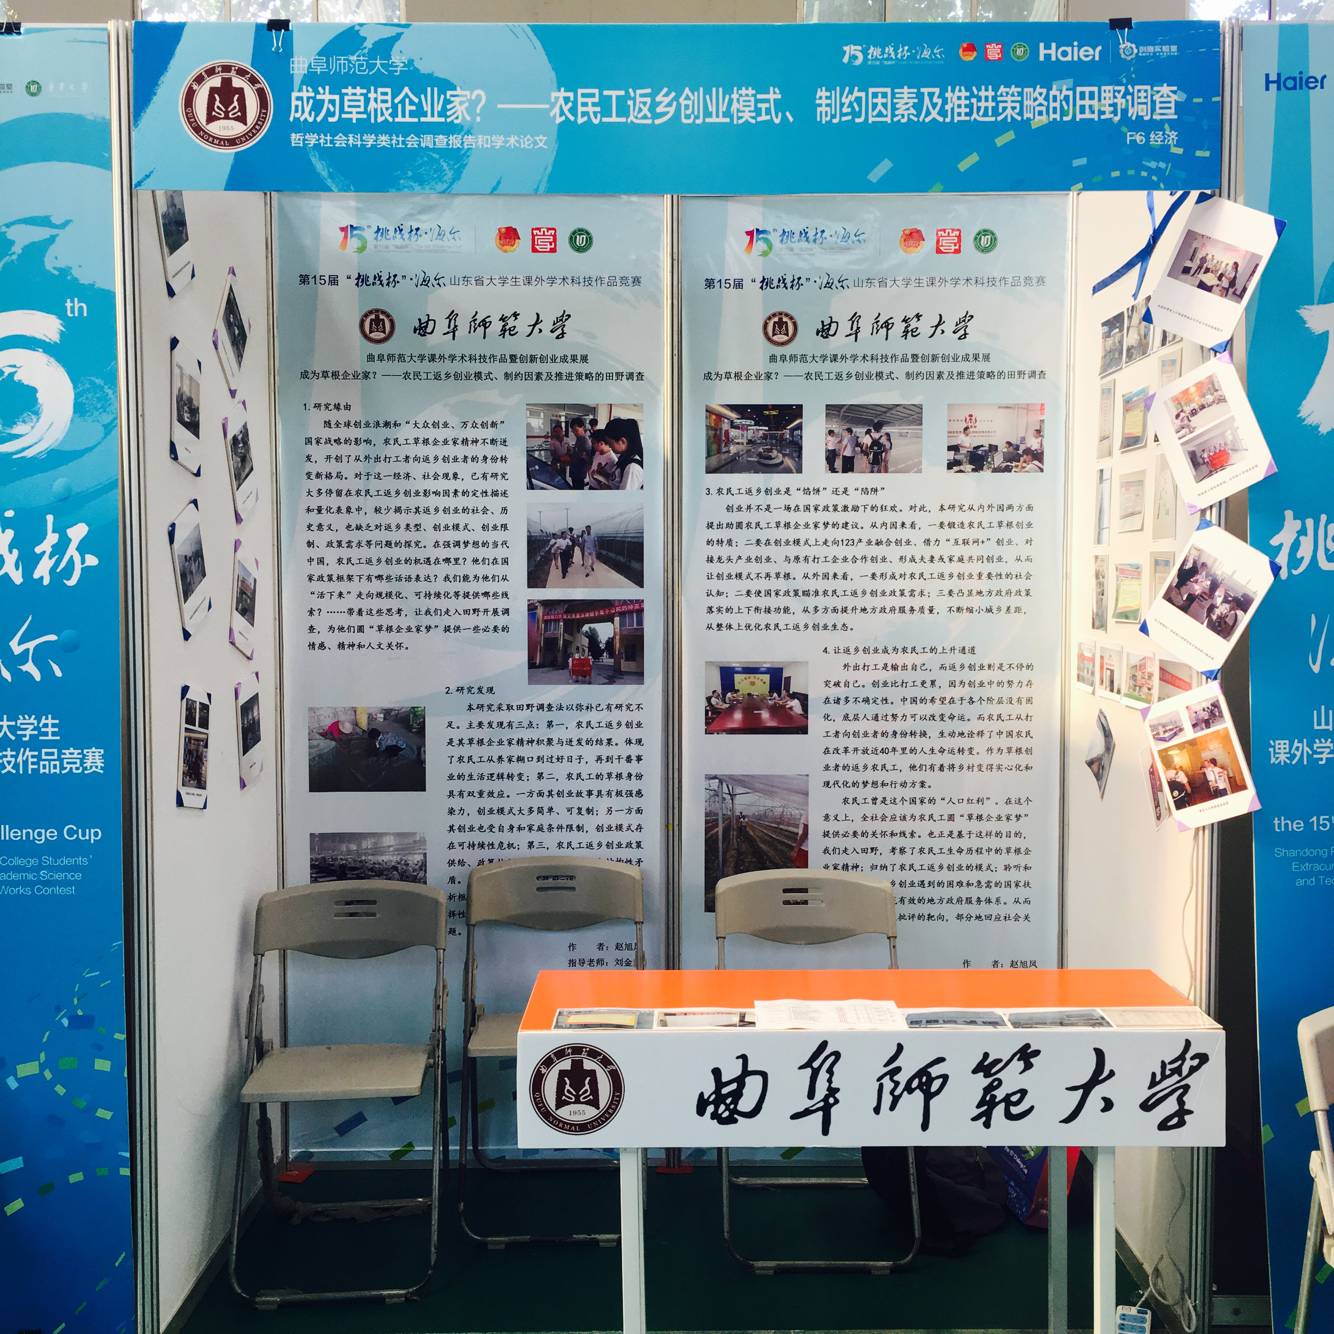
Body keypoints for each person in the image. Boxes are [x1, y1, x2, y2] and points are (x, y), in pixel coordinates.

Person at [607, 417, 644, 490]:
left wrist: (603, 486)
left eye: (610, 443)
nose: (609, 446)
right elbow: (617, 478)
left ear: (622, 441)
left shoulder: (632, 468)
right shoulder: (624, 456)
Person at [568, 416, 592, 490]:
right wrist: (572, 451)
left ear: (583, 427)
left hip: (579, 474)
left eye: (576, 430)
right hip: (575, 472)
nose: (575, 433)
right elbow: (578, 453)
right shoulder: (579, 439)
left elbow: (590, 460)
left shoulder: (585, 441)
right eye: (573, 431)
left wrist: (583, 456)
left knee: (579, 491)